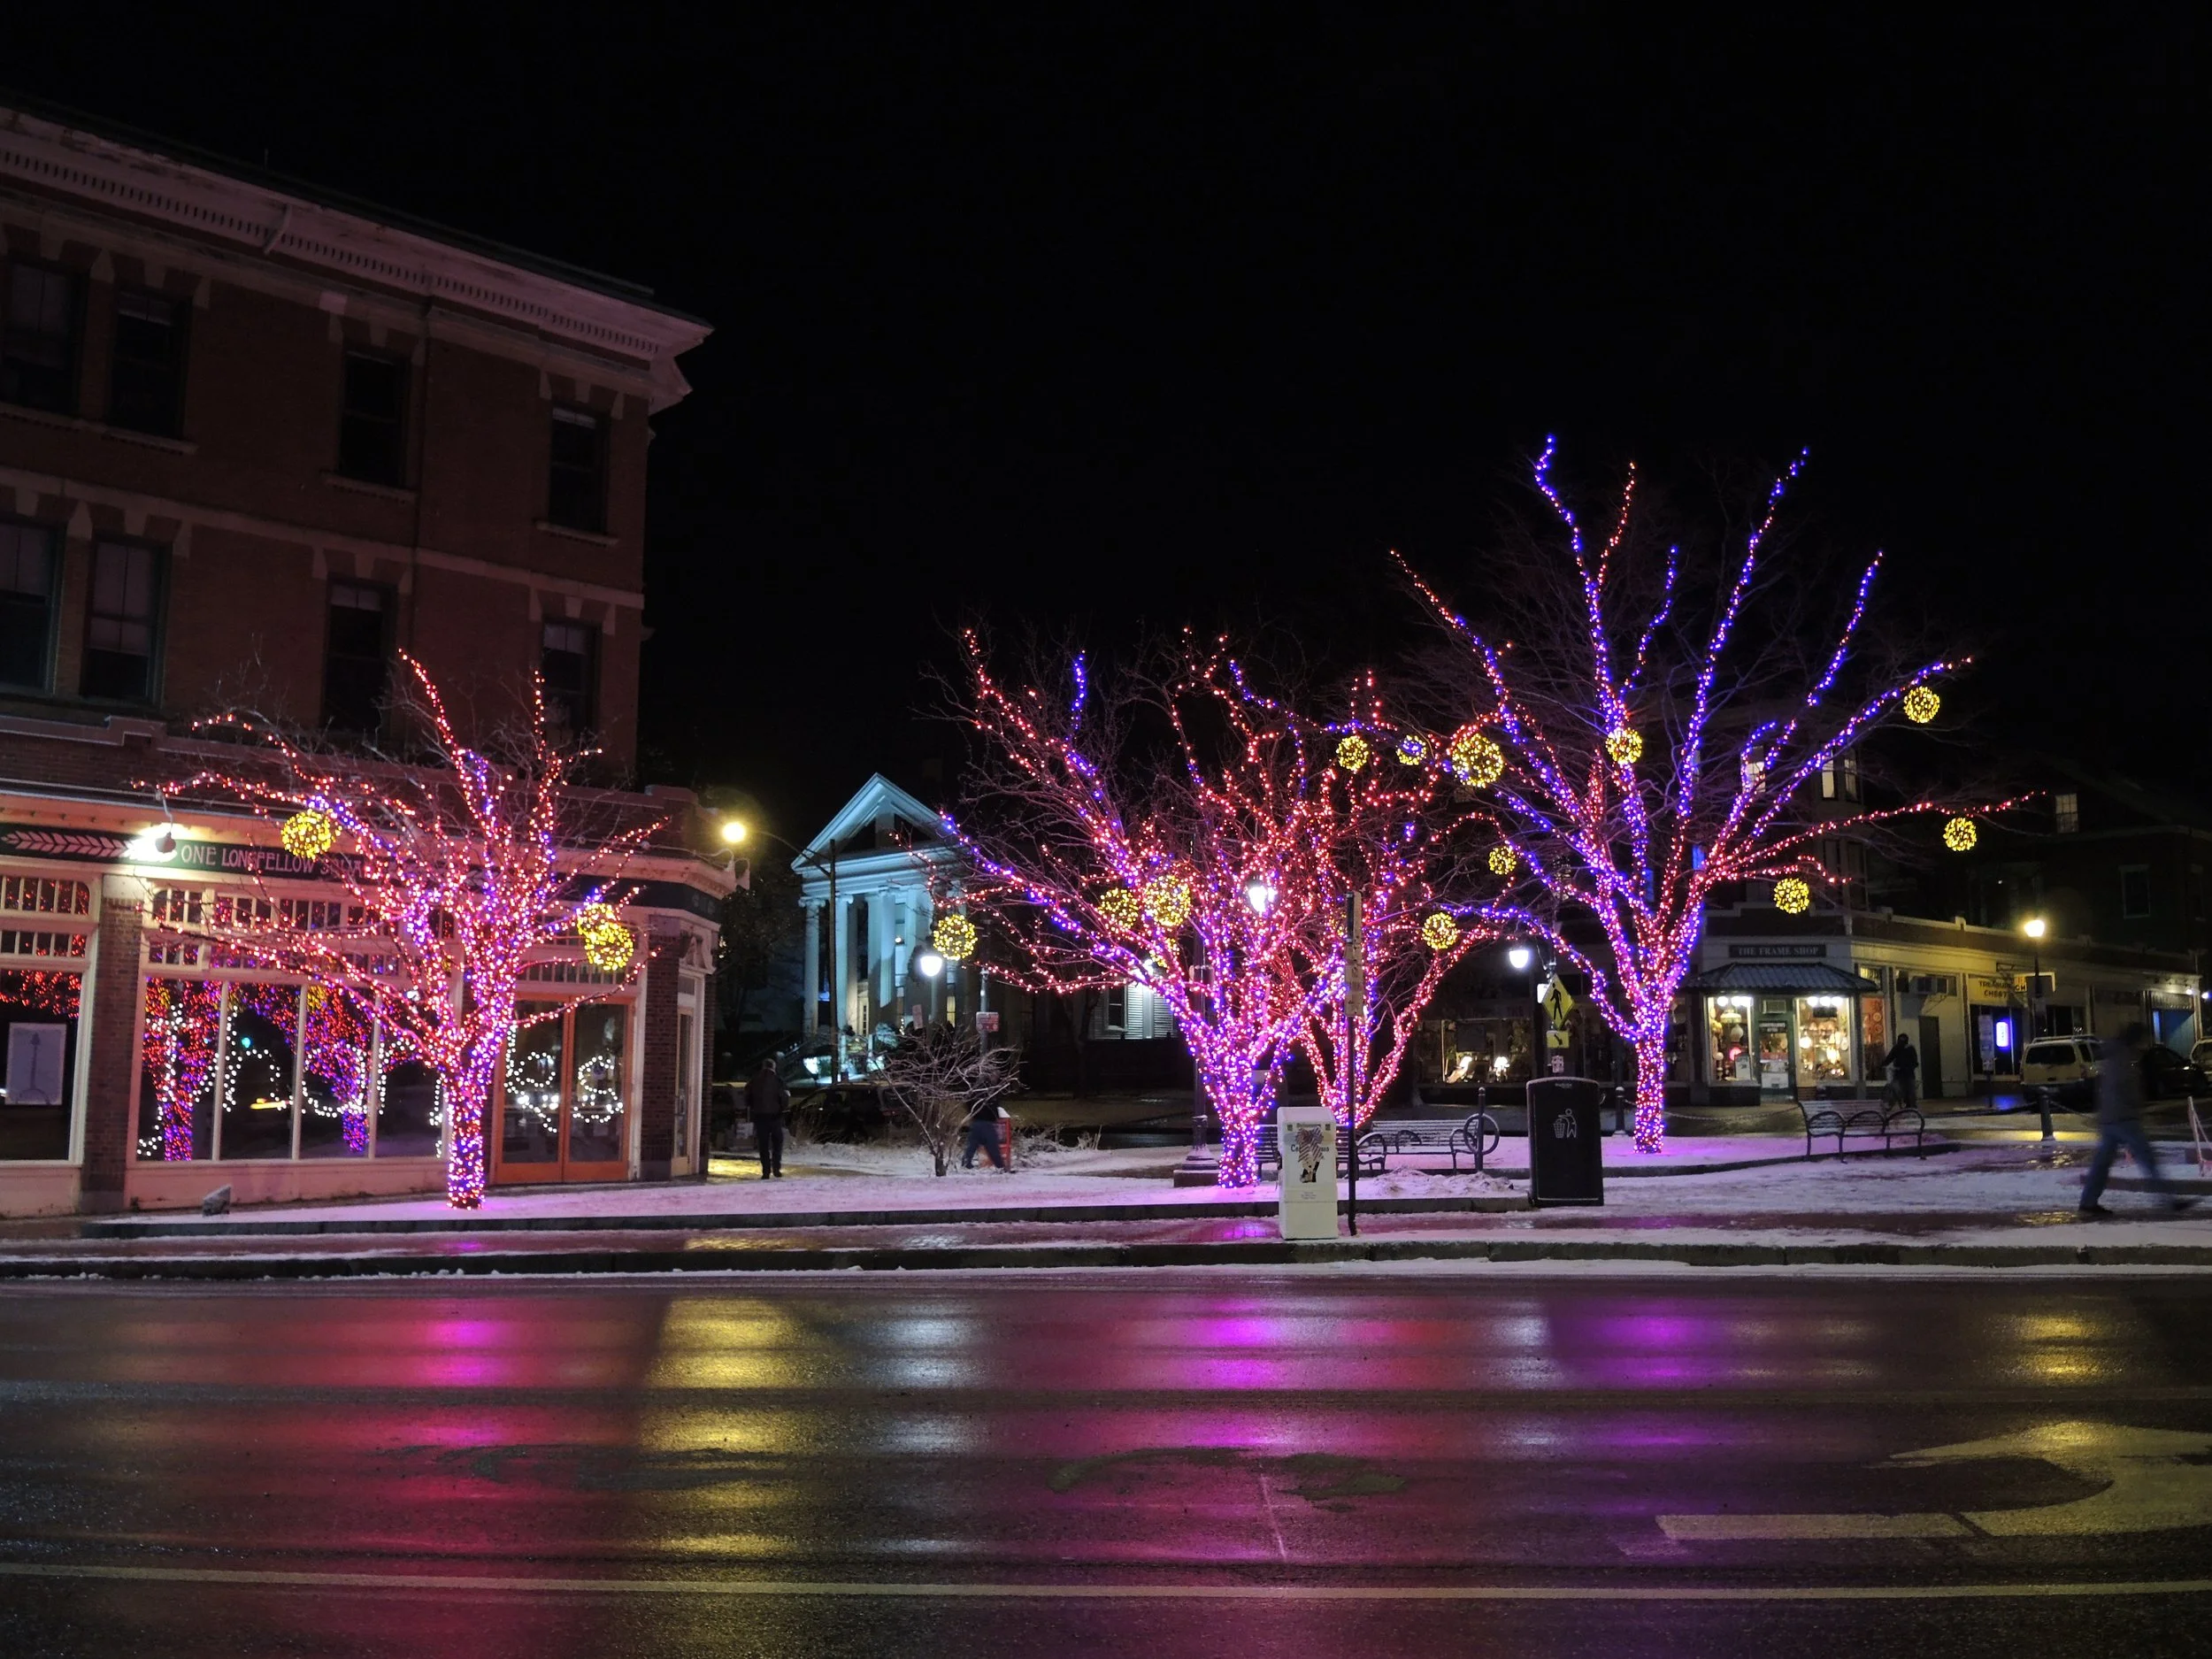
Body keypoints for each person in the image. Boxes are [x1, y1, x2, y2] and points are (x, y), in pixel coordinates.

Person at [2079, 1024, 2194, 1217]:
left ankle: (2088, 1203)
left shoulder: (2112, 1054)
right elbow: (2126, 1087)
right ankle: (2169, 1201)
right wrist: (2138, 1104)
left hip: (2110, 1118)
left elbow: (2106, 1088)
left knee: (2102, 1163)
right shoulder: (2123, 1057)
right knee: (2148, 1160)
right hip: (2124, 1118)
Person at [744, 1057, 789, 1179]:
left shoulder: (754, 1080)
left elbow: (747, 1096)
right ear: (773, 1067)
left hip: (760, 1117)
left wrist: (753, 1107)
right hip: (775, 1117)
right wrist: (782, 1108)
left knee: (763, 1144)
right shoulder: (778, 1081)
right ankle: (776, 1169)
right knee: (777, 1143)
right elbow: (784, 1097)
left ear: (763, 1067)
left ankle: (765, 1171)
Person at [960, 1097, 1006, 1171]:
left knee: (971, 1145)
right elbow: (994, 1106)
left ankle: (965, 1164)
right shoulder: (991, 1095)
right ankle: (1000, 1166)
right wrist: (995, 1116)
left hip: (976, 1121)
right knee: (992, 1146)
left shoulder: (975, 1093)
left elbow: (968, 1103)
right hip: (988, 1122)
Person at [1878, 1033, 1919, 1110]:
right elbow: (1890, 1057)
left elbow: (1914, 1062)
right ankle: (1893, 1104)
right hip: (1901, 1072)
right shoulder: (1898, 1048)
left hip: (1907, 1073)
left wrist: (1908, 1067)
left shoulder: (1909, 1049)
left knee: (1909, 1089)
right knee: (1897, 1088)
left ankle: (1911, 1105)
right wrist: (1883, 1064)